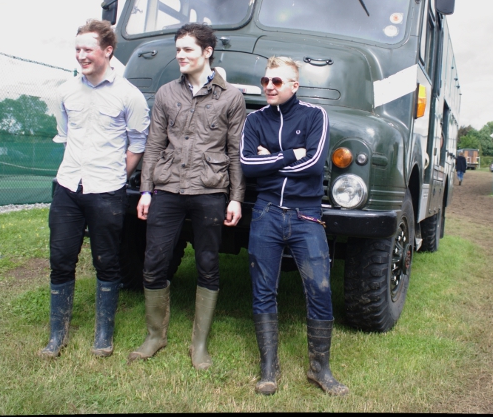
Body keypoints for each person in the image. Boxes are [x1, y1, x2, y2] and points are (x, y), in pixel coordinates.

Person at [128, 23, 246, 370]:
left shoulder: (231, 97)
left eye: (188, 49)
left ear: (207, 52)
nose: (180, 55)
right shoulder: (166, 93)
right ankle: (155, 336)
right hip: (167, 188)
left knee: (208, 263)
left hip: (210, 189)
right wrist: (146, 190)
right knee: (154, 261)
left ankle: (200, 345)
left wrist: (236, 198)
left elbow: (236, 152)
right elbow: (154, 145)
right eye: (178, 49)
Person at [40, 19, 150, 358]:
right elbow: (66, 134)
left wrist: (115, 176)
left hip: (107, 192)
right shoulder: (65, 92)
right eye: (77, 49)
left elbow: (138, 145)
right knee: (61, 259)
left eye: (88, 49)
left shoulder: (129, 96)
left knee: (107, 261)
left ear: (108, 51)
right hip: (68, 188)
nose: (81, 55)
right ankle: (57, 335)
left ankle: (103, 334)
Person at [240, 56, 349, 397]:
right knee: (263, 289)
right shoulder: (254, 119)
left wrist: (269, 158)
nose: (268, 87)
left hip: (306, 215)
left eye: (276, 81)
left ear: (294, 85)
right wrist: (291, 154)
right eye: (265, 81)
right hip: (266, 212)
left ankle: (320, 369)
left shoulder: (315, 116)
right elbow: (246, 165)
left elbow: (314, 164)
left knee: (320, 288)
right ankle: (268, 368)